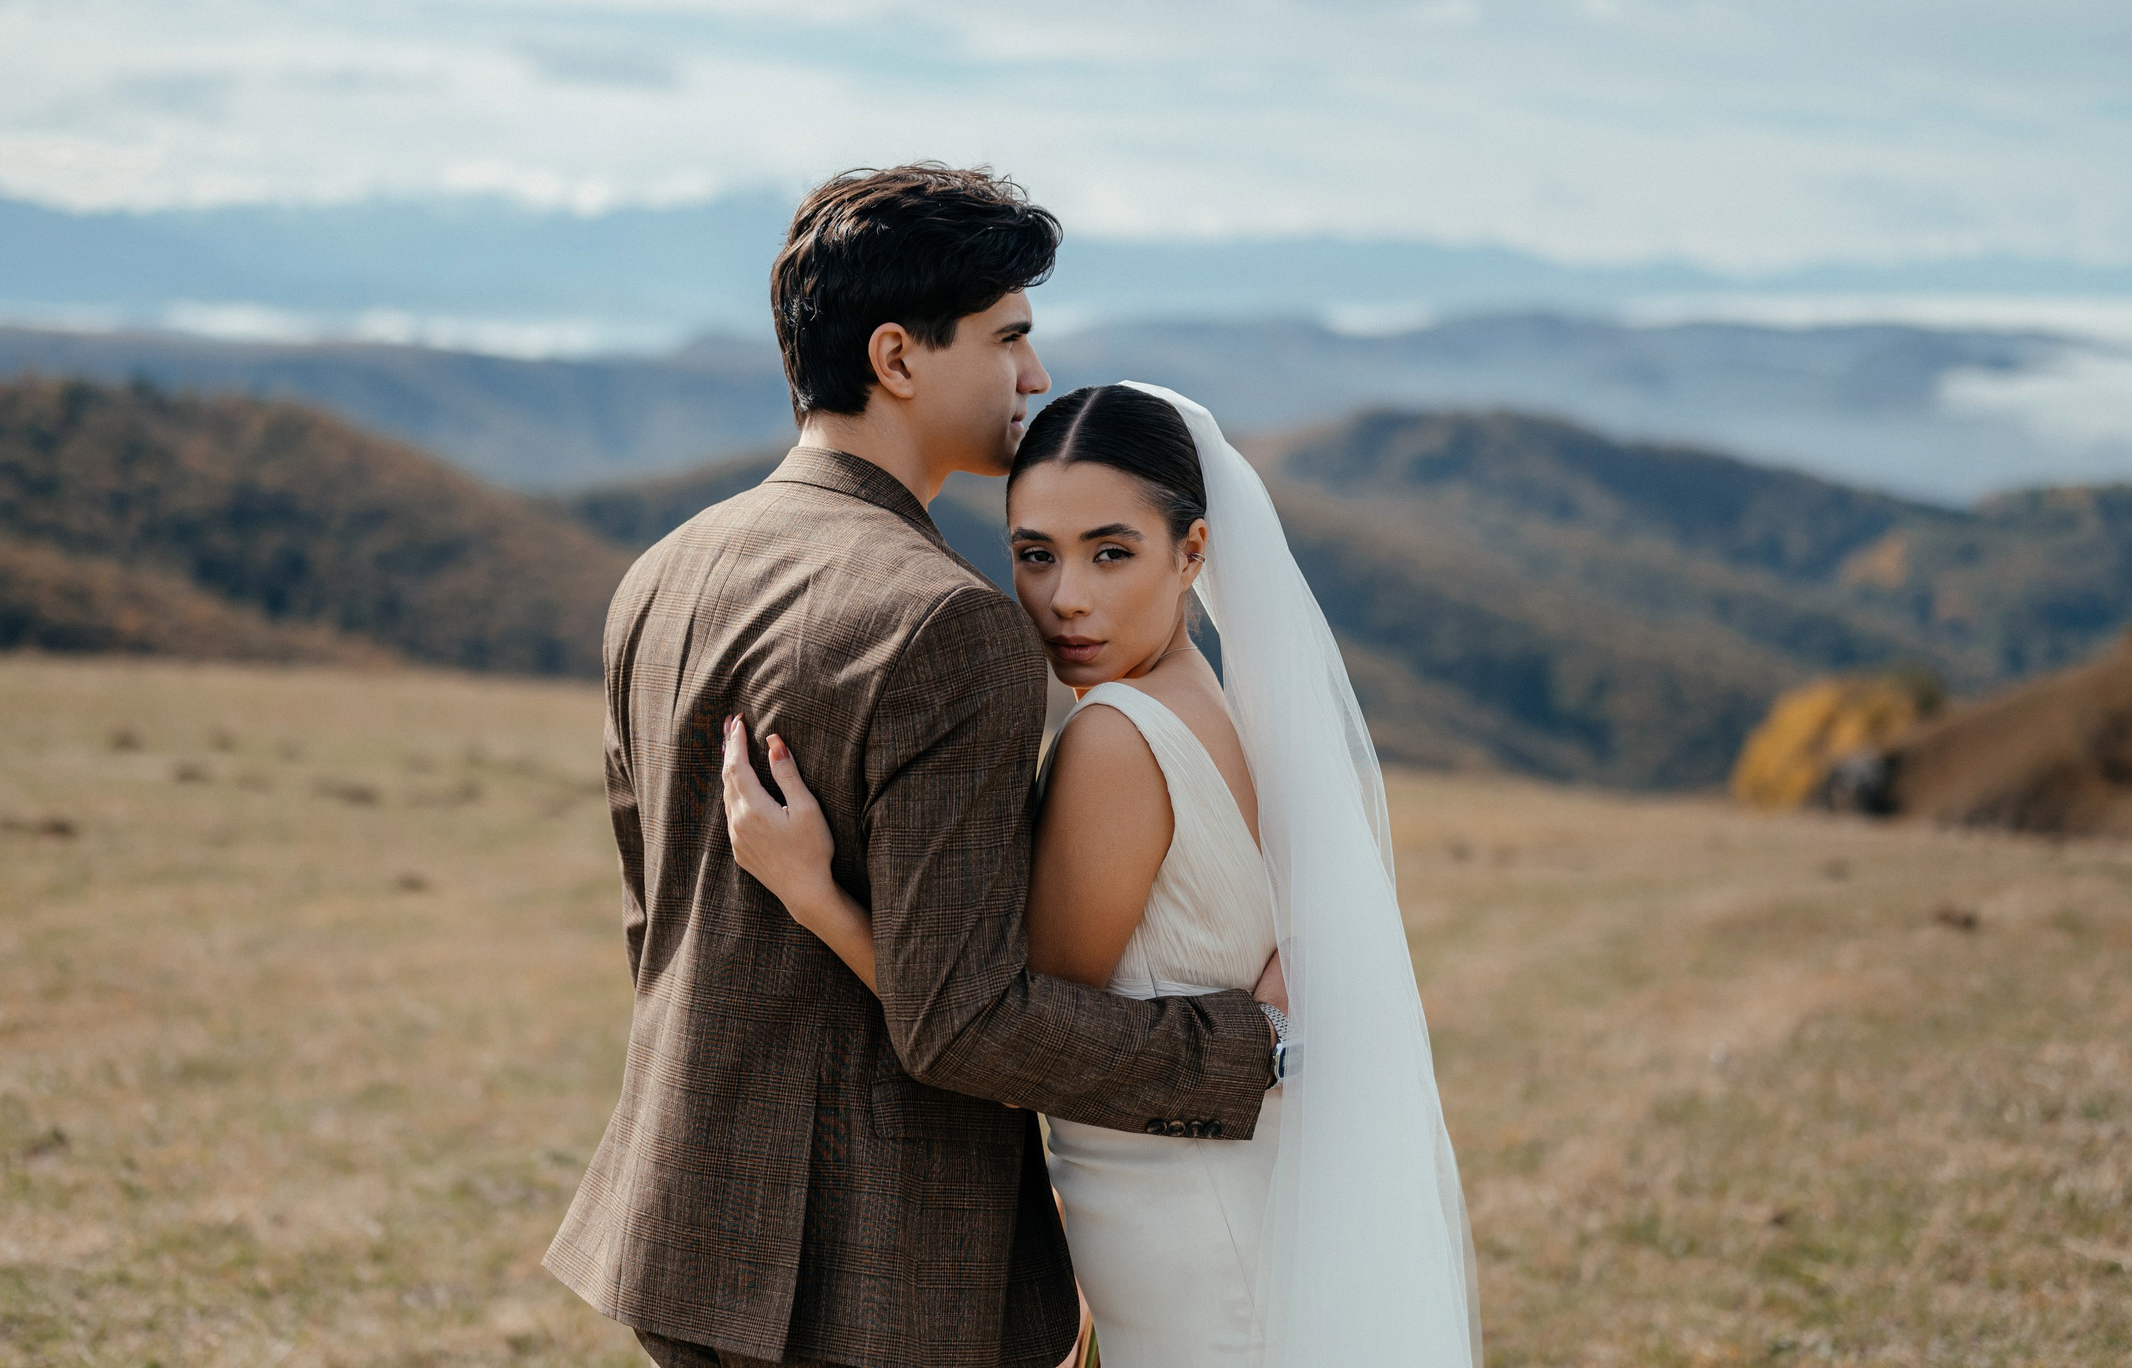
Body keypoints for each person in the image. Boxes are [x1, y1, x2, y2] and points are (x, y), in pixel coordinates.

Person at [543, 165, 1291, 1368]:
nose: (1033, 375)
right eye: (1008, 337)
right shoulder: (949, 623)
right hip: (879, 1268)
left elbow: (655, 923)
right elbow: (966, 1022)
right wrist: (1251, 1046)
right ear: (896, 356)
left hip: (682, 1226)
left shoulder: (663, 572)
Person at [728, 381, 1483, 1367]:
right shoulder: (1220, 702)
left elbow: (1006, 1037)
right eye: (1035, 554)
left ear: (1192, 552)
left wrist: (814, 895)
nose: (1065, 597)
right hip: (1228, 1199)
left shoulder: (1116, 737)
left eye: (1111, 552)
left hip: (1186, 1232)